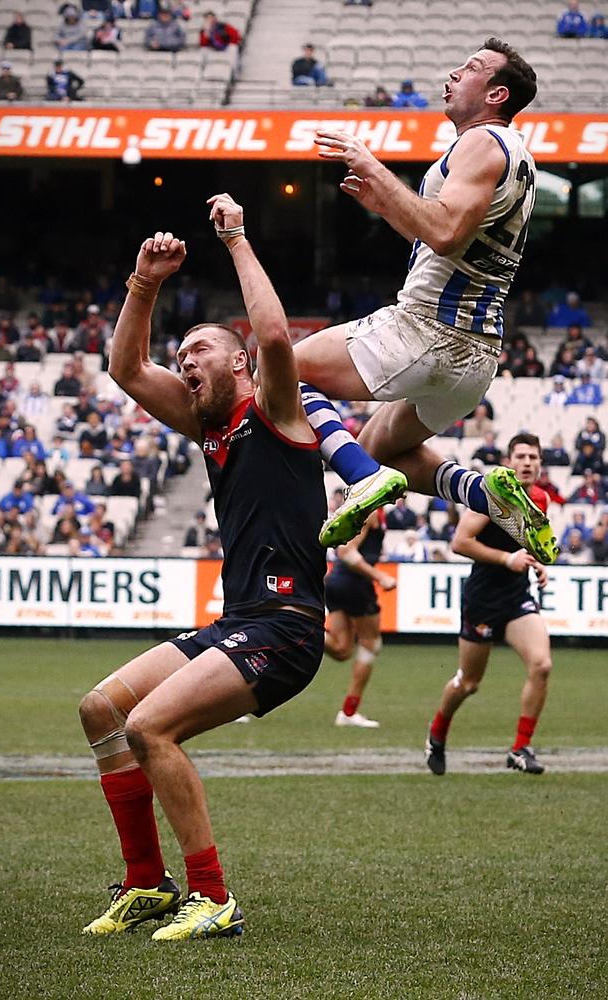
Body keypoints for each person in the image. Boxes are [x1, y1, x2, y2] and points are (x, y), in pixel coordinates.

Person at [78, 193, 326, 942]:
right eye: (181, 356)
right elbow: (126, 367)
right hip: (239, 622)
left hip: (285, 629)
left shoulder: (277, 411)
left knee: (151, 727)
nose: (184, 363)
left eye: (199, 352)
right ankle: (148, 885)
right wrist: (143, 284)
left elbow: (279, 336)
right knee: (101, 709)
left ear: (239, 361)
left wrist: (237, 239)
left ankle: (213, 897)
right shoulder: (207, 425)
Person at [291, 37, 558, 568]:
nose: (455, 72)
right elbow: (452, 238)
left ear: (496, 94)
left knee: (276, 369)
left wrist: (373, 166)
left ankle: (360, 481)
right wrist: (385, 203)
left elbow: (445, 231)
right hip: (477, 357)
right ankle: (483, 495)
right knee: (375, 447)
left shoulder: (483, 142)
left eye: (472, 68)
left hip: (427, 332)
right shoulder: (516, 158)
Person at [425, 433, 552, 776]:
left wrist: (537, 563)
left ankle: (520, 749)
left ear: (541, 463)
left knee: (541, 665)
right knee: (469, 682)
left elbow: (531, 543)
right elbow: (459, 542)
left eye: (534, 457)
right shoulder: (492, 496)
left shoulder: (539, 498)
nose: (527, 462)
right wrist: (506, 559)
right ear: (509, 462)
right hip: (482, 597)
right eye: (521, 456)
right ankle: (437, 734)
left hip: (516, 597)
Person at [325, 510, 396, 728]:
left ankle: (300, 628)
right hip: (353, 583)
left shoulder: (371, 509)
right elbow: (346, 552)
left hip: (336, 581)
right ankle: (349, 712)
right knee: (371, 644)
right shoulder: (371, 511)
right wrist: (380, 576)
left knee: (342, 650)